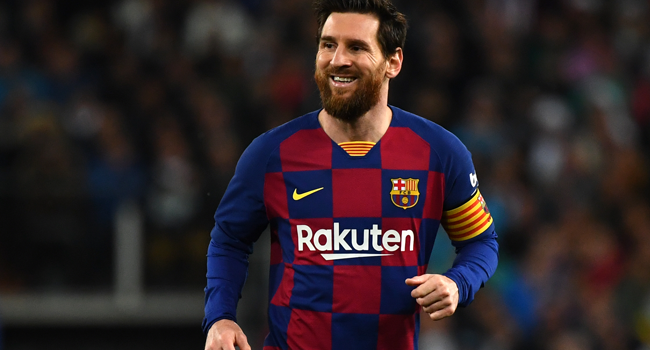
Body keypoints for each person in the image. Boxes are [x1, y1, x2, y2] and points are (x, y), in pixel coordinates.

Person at [202, 0, 499, 349]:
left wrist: (457, 283)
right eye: (328, 44)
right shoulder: (271, 154)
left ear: (393, 62)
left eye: (356, 47)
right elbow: (229, 239)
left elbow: (481, 242)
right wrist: (220, 316)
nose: (337, 59)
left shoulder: (439, 153)